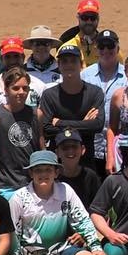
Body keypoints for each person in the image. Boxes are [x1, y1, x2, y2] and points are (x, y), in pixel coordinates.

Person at [7, 150, 109, 255]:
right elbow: (13, 240)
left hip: (61, 253)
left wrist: (96, 247)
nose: (43, 174)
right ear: (31, 173)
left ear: (56, 172)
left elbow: (83, 220)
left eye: (48, 169)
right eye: (38, 170)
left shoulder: (65, 190)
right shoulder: (18, 199)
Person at [39, 44, 106, 173]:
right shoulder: (49, 95)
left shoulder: (94, 92)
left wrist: (60, 123)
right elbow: (46, 128)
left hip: (86, 163)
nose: (69, 65)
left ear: (81, 65)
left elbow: (97, 125)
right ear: (58, 65)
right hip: (57, 165)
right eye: (64, 61)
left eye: (73, 61)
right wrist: (84, 124)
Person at [0, 66, 44, 199]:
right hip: (7, 186)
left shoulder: (37, 114)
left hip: (34, 184)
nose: (21, 92)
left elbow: (41, 149)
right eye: (15, 88)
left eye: (25, 88)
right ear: (6, 90)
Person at [80, 28, 128, 172]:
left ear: (118, 48)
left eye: (110, 46)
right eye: (102, 46)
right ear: (96, 48)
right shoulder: (85, 76)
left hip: (118, 148)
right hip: (91, 146)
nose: (106, 50)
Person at [54, 127, 105, 210]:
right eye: (65, 147)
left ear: (82, 150)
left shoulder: (91, 177)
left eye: (74, 147)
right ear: (57, 153)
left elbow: (99, 208)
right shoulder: (51, 177)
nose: (70, 151)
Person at [0, 37, 32, 111]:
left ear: (23, 58)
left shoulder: (37, 85)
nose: (12, 61)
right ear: (1, 59)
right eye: (8, 57)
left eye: (16, 56)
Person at [59, 0, 103, 67]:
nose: (89, 21)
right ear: (78, 17)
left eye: (93, 18)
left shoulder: (108, 48)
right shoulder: (67, 46)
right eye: (84, 17)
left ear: (98, 18)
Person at [22, 25, 62, 91]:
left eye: (45, 44)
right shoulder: (23, 71)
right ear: (31, 46)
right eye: (37, 44)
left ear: (51, 46)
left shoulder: (61, 71)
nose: (41, 47)